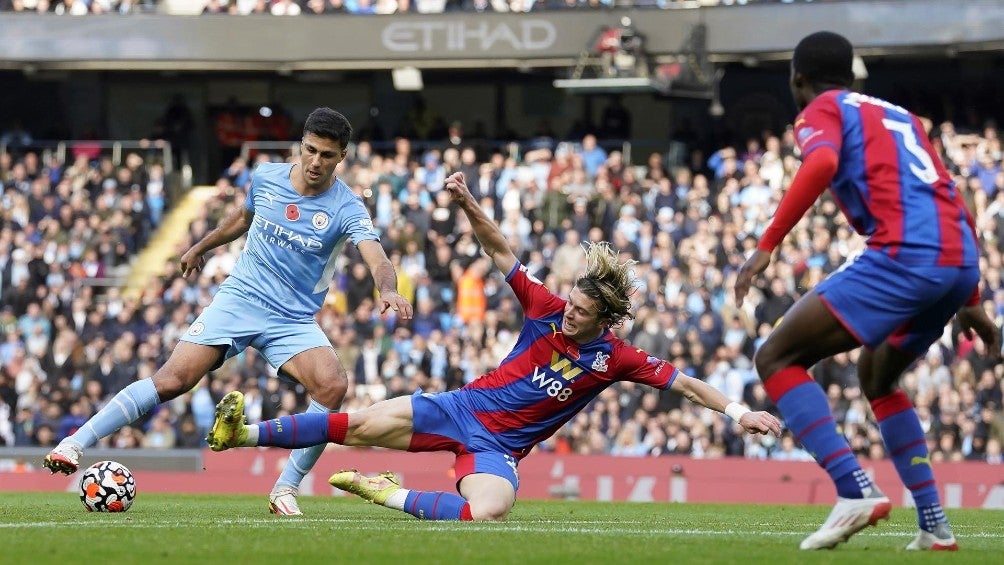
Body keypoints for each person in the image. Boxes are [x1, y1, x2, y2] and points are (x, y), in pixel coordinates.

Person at [205, 170, 782, 522]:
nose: (570, 311)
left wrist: (739, 411)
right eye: (571, 303)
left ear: (604, 318)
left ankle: (383, 493)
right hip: (459, 408)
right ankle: (244, 433)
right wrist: (466, 203)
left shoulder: (615, 359)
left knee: (487, 511)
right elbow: (500, 251)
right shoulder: (545, 307)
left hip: (498, 448)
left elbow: (683, 382)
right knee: (353, 424)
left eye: (582, 310)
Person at [43, 107, 414, 516]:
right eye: (310, 150)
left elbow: (376, 256)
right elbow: (242, 218)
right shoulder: (267, 177)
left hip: (291, 319)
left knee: (332, 385)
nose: (315, 162)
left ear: (341, 156)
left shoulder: (346, 207)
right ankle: (73, 443)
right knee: (172, 380)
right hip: (240, 299)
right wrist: (201, 246)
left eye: (327, 155)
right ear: (300, 145)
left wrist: (388, 289)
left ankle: (285, 489)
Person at [734, 31, 1001, 551]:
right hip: (957, 260)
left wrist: (768, 243)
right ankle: (935, 525)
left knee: (776, 356)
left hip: (907, 255)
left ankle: (854, 489)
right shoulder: (900, 116)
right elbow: (956, 202)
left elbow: (822, 163)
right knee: (877, 377)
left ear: (798, 80)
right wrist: (971, 299)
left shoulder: (820, 109)